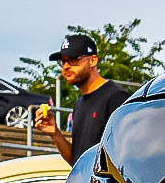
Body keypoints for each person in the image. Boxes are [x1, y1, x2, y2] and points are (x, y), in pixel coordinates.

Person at [35, 31, 127, 164]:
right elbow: (77, 162)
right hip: (83, 178)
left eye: (73, 60)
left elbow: (127, 153)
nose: (66, 66)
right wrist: (54, 133)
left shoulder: (116, 97)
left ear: (93, 60)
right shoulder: (79, 104)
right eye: (63, 61)